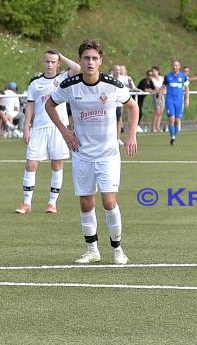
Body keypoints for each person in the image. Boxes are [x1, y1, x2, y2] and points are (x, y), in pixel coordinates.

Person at [45, 39, 139, 265]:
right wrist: (65, 131)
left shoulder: (112, 85)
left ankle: (117, 250)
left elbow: (133, 106)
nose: (90, 62)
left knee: (108, 201)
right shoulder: (70, 86)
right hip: (82, 153)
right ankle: (92, 250)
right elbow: (49, 104)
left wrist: (132, 135)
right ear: (80, 60)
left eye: (94, 58)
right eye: (86, 58)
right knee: (86, 203)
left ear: (100, 61)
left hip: (108, 154)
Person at [14, 49, 81, 215]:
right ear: (43, 62)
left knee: (57, 165)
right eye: (47, 61)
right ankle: (26, 203)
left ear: (58, 63)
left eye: (53, 61)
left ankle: (52, 203)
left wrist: (61, 55)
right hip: (39, 128)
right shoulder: (35, 83)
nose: (50, 64)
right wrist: (26, 127)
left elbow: (77, 67)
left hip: (59, 128)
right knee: (31, 164)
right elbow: (30, 106)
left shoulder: (63, 78)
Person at [161, 60, 189, 145]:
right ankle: (172, 137)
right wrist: (160, 98)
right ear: (172, 66)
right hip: (170, 100)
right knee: (171, 119)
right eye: (173, 65)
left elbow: (187, 88)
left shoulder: (183, 76)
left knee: (177, 120)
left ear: (179, 66)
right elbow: (163, 87)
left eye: (176, 65)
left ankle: (174, 136)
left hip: (179, 101)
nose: (175, 67)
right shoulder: (167, 76)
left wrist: (187, 99)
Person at [150, 66, 165, 132]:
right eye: (153, 71)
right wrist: (160, 89)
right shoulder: (152, 79)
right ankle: (153, 127)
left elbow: (164, 86)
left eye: (154, 71)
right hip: (156, 95)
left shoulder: (162, 78)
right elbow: (155, 87)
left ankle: (158, 127)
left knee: (161, 112)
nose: (153, 72)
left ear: (158, 71)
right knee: (157, 111)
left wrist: (161, 89)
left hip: (162, 95)